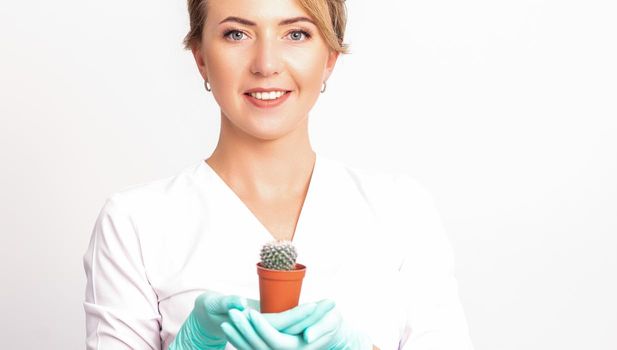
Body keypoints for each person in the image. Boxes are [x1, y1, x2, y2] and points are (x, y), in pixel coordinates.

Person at [82, 0, 474, 349]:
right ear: (200, 55)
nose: (266, 64)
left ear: (330, 57)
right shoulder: (135, 222)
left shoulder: (401, 210)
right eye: (237, 33)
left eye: (296, 33)